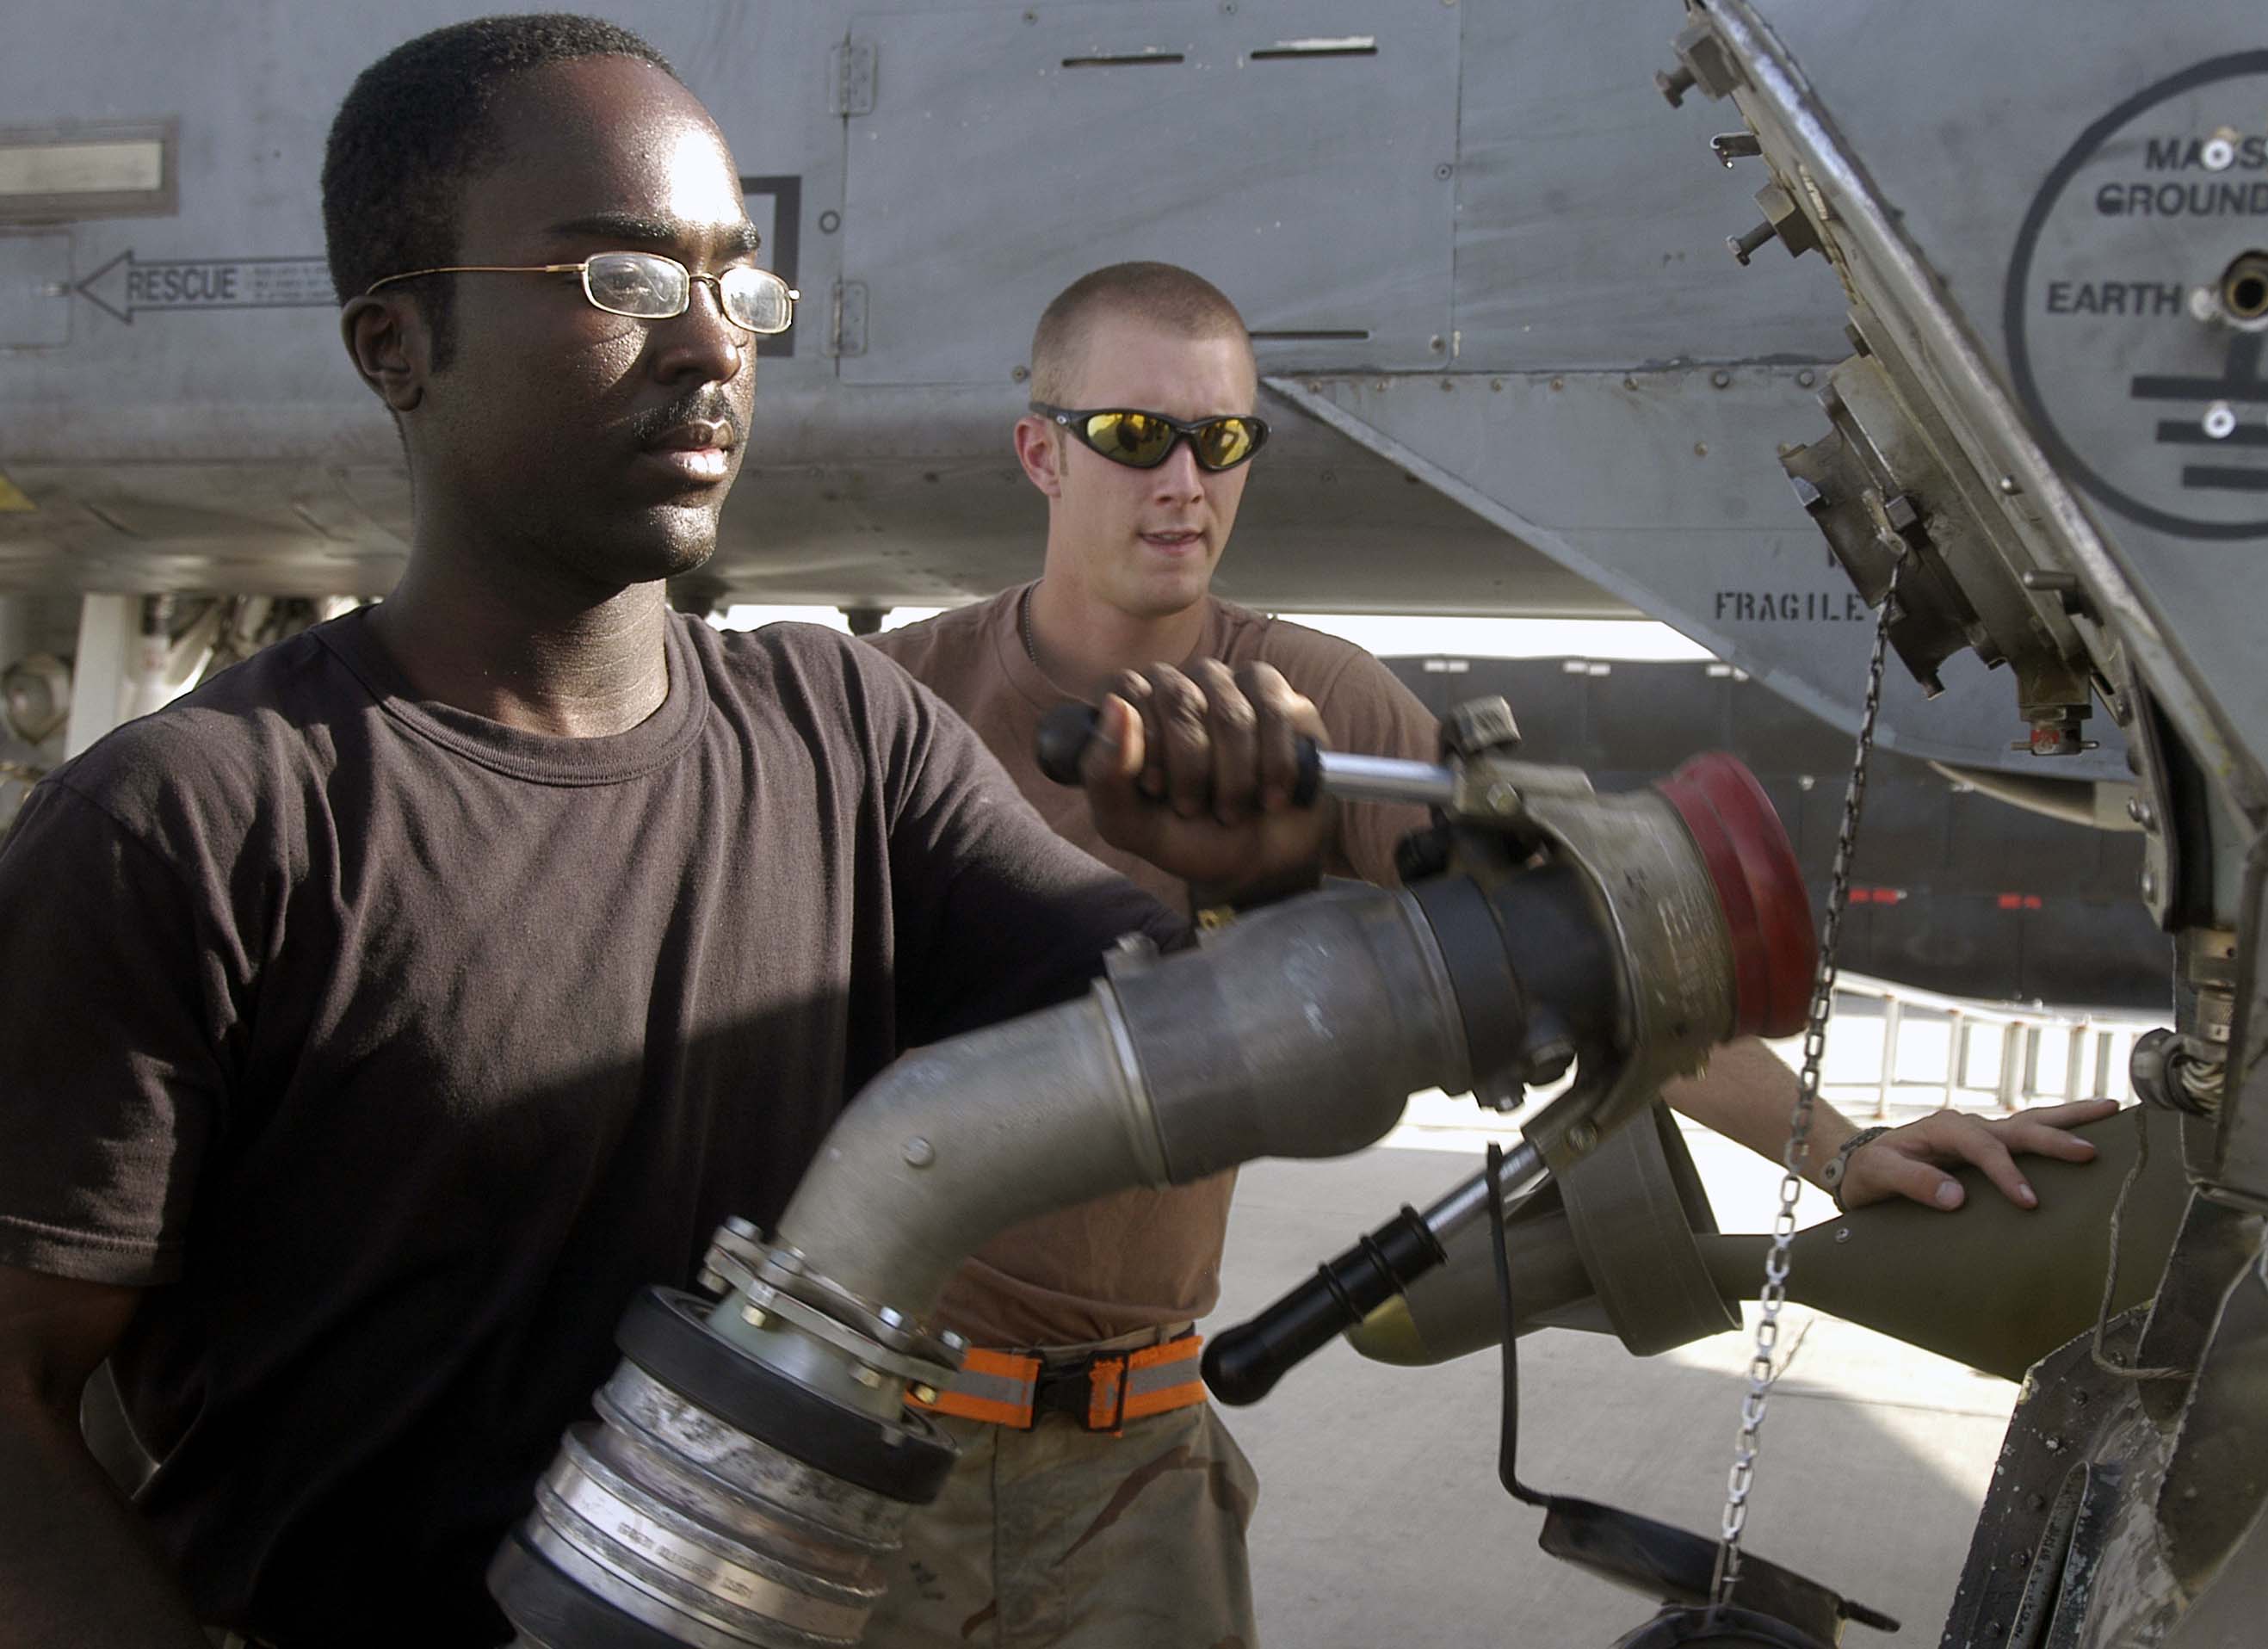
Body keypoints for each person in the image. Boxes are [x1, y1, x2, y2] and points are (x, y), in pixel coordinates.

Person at [0, 23, 1326, 1648]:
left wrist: (1251, 886)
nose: (711, 346)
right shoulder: (196, 825)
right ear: (395, 341)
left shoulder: (852, 741)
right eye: (623, 284)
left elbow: (1195, 1066)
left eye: (739, 288)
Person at [861, 262, 2117, 1647]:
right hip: (869, 1432)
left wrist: (1844, 1149)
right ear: (1041, 449)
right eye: (1132, 436)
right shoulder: (896, 705)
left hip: (1134, 1454)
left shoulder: (1314, 708)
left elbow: (1589, 956)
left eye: (1223, 443)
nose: (1185, 483)